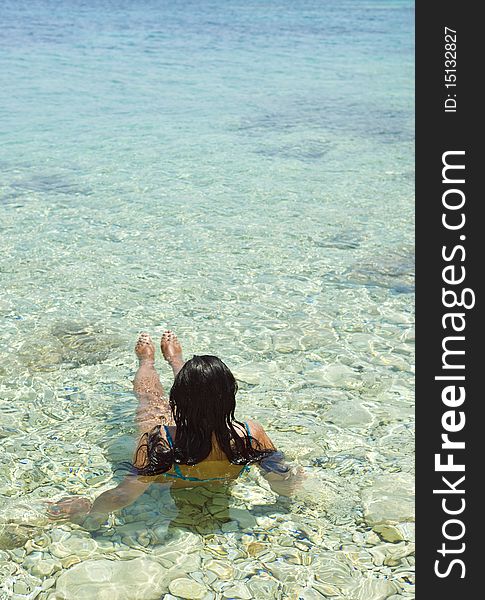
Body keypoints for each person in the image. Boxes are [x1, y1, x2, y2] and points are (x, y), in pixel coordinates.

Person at [48, 331, 302, 522]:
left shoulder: (160, 439)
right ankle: (174, 360)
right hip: (213, 449)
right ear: (231, 396)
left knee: (150, 400)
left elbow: (122, 496)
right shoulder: (250, 434)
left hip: (175, 438)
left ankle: (147, 363)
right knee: (181, 396)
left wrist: (92, 511)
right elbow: (283, 482)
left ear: (175, 399)